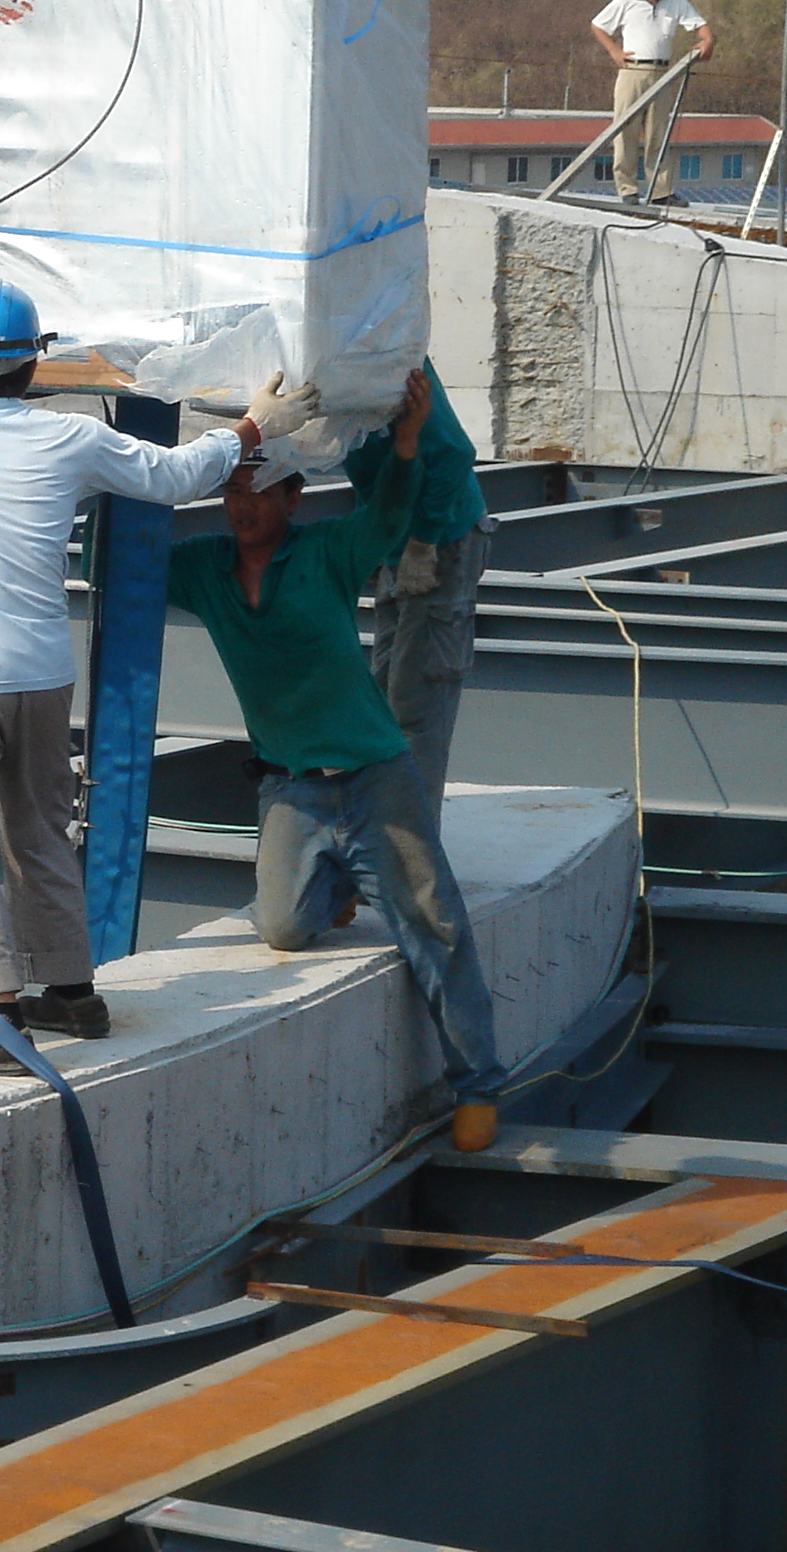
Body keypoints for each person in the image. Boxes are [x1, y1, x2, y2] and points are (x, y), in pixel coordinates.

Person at [0, 282, 321, 1074]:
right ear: (35, 363)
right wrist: (255, 427)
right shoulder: (71, 440)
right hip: (41, 676)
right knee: (38, 829)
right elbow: (174, 474)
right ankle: (71, 991)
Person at [167, 370, 505, 1151]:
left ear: (294, 501)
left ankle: (480, 1082)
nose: (244, 506)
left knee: (431, 920)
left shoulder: (327, 554)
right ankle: (339, 882)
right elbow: (111, 556)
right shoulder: (208, 570)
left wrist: (410, 443)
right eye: (235, 493)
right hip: (293, 787)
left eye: (263, 493)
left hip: (376, 776)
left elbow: (389, 513)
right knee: (282, 926)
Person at [341, 359, 488, 817]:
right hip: (399, 536)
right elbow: (366, 464)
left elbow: (453, 455)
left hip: (443, 537)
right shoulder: (332, 372)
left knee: (417, 700)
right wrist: (379, 536)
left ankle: (412, 853)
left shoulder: (388, 361)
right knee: (384, 690)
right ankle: (379, 830)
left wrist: (423, 542)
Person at [590, 0, 715, 204]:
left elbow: (701, 28)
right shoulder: (625, 2)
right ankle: (628, 190)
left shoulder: (677, 3)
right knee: (625, 131)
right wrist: (614, 50)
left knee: (657, 133)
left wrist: (707, 41)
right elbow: (598, 25)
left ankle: (660, 192)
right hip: (632, 71)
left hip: (662, 73)